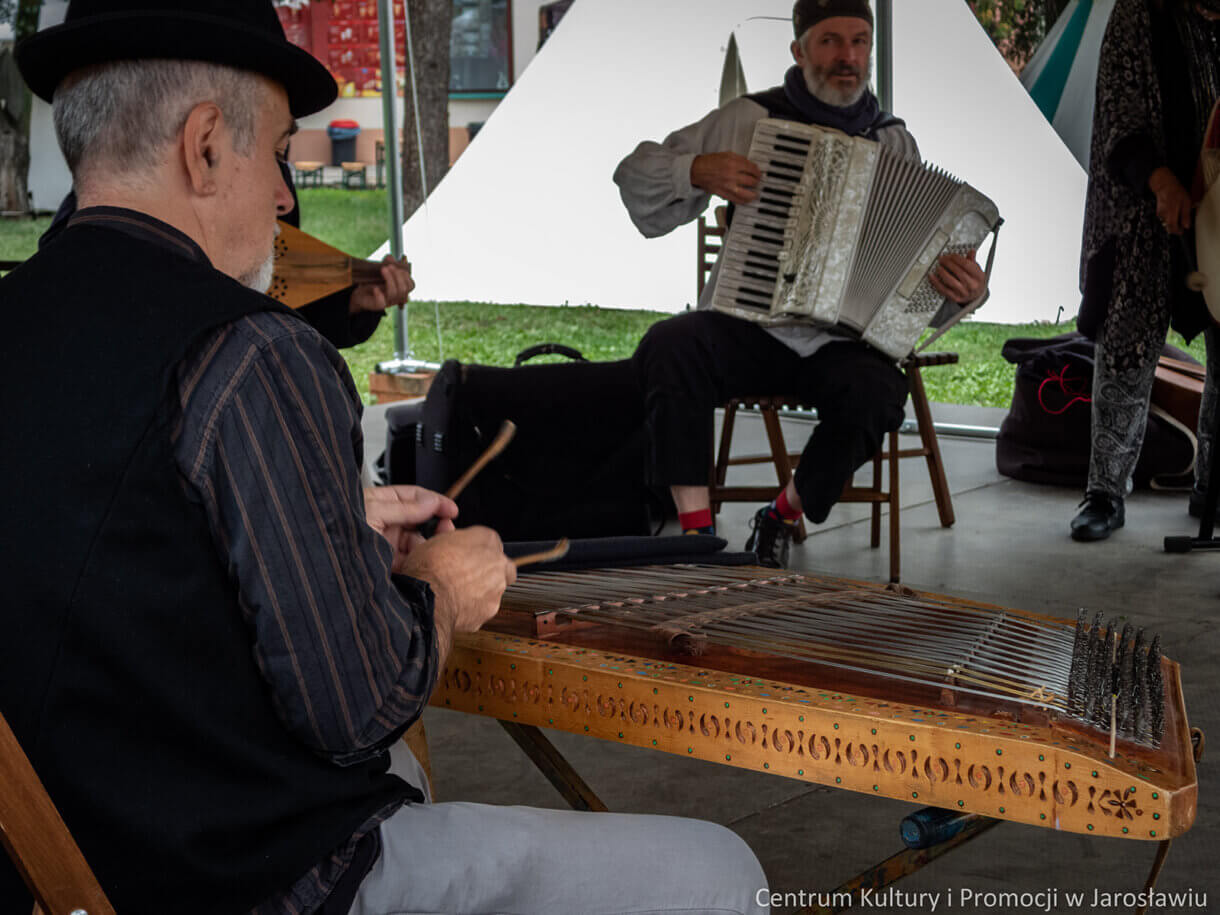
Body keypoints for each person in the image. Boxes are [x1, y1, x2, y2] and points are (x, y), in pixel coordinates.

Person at [0, 2, 769, 914]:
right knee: (723, 873)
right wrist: (441, 586)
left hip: (77, 861)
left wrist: (318, 521)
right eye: (280, 152)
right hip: (251, 877)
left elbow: (84, 533)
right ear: (206, 146)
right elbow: (359, 703)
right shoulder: (248, 352)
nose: (285, 197)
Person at [614, 0, 987, 569]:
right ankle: (694, 536)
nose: (849, 57)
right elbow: (633, 174)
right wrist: (696, 170)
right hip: (750, 325)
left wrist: (963, 292)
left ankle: (780, 514)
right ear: (799, 50)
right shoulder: (748, 118)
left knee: (880, 392)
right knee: (670, 345)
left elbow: (913, 281)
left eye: (860, 41)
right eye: (831, 41)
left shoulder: (893, 142)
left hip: (842, 341)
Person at [1070, 0, 1220, 541]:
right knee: (1127, 347)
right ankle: (1105, 492)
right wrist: (1161, 182)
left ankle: (1212, 488)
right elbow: (1119, 115)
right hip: (1144, 209)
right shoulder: (1140, 11)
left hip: (1219, 209)